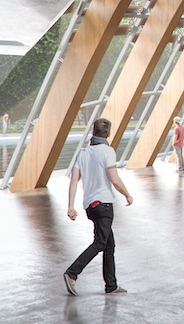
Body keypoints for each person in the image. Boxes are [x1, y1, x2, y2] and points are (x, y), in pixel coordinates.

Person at [64, 117, 133, 296]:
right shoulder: (108, 151)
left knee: (109, 245)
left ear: (93, 132)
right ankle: (72, 273)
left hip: (90, 206)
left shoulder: (83, 153)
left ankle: (111, 285)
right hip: (104, 205)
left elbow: (73, 181)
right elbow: (115, 180)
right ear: (108, 133)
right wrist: (127, 194)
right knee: (100, 243)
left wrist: (71, 206)